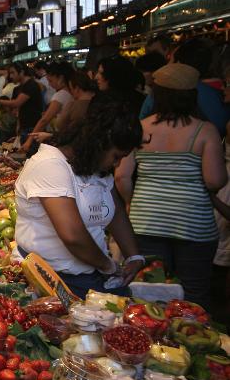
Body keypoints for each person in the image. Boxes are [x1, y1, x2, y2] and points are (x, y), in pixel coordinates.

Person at [115, 63, 228, 306]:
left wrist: (129, 203)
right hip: (194, 224)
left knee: (148, 293)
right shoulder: (204, 131)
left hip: (146, 221)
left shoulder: (141, 128)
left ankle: (156, 341)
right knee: (193, 295)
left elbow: (121, 176)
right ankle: (195, 338)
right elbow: (215, 180)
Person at [15, 98, 145, 298]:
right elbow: (73, 236)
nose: (117, 164)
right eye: (116, 156)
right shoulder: (50, 165)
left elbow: (116, 212)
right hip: (52, 279)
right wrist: (108, 266)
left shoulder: (95, 169)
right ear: (99, 144)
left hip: (91, 276)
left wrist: (134, 256)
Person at [138, 38, 230, 136]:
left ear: (179, 63)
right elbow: (221, 126)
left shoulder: (160, 90)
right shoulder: (215, 94)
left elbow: (142, 119)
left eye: (172, 60)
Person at [22, 61, 74, 151]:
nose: (49, 84)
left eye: (51, 80)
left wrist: (28, 141)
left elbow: (44, 120)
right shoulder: (71, 93)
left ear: (61, 78)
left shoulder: (61, 95)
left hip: (61, 138)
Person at [0, 63, 44, 146]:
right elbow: (17, 109)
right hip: (24, 128)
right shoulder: (19, 88)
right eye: (9, 73)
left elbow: (17, 103)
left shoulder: (31, 85)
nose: (10, 76)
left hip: (33, 128)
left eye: (13, 73)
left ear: (22, 72)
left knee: (31, 155)